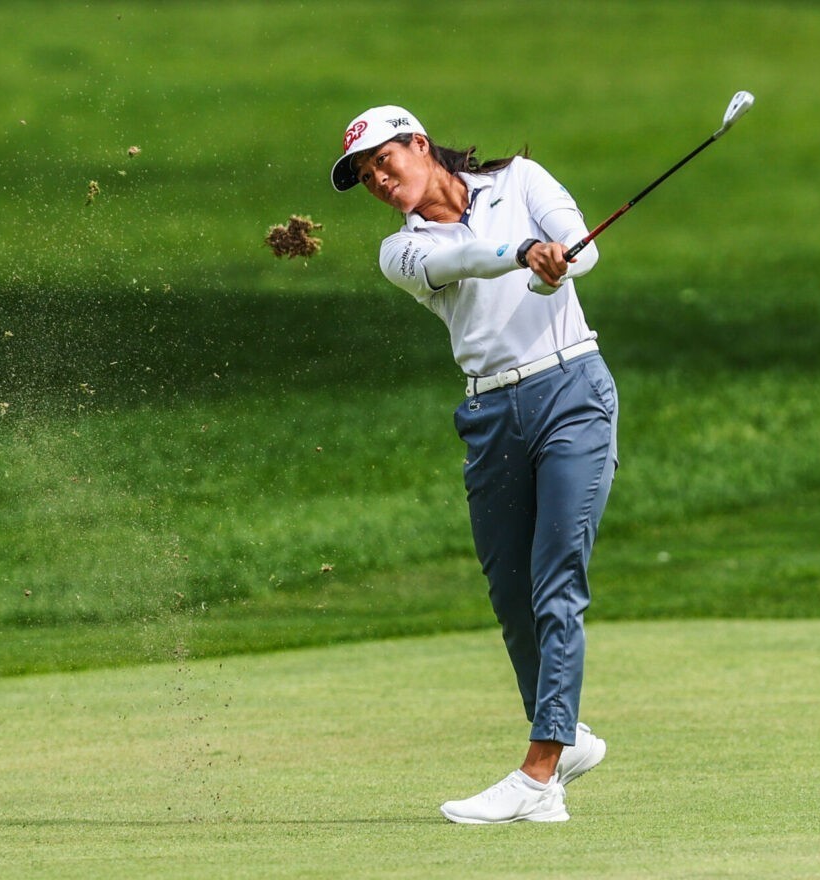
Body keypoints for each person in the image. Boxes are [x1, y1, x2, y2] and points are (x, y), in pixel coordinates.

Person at [331, 106, 617, 824]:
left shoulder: (519, 180)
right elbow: (460, 260)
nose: (378, 180)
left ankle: (540, 773)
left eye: (384, 161)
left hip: (573, 392)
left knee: (557, 578)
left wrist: (556, 266)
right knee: (510, 589)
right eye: (366, 177)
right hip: (491, 416)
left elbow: (581, 250)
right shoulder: (402, 252)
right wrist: (524, 255)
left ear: (419, 145)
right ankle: (569, 736)